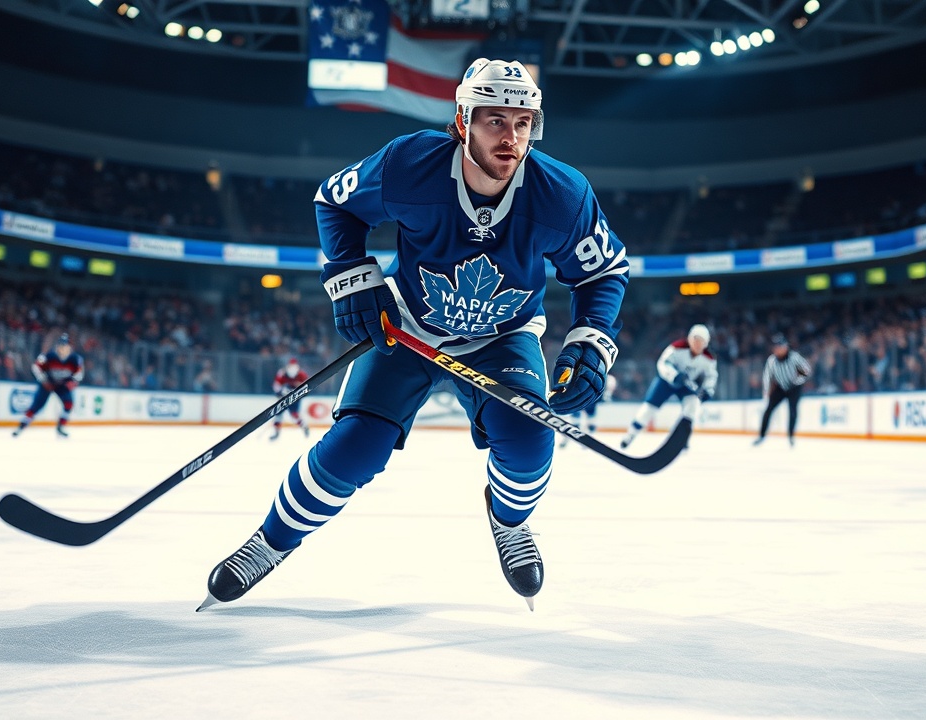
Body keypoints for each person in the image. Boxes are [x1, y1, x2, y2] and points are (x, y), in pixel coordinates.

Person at [200, 58, 628, 612]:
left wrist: (591, 340)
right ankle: (270, 542)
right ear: (463, 120)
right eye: (495, 121)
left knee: (529, 443)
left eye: (523, 123)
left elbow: (602, 272)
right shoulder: (410, 164)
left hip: (503, 336)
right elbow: (335, 202)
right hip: (408, 327)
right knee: (354, 448)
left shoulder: (564, 194)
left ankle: (509, 522)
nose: (511, 137)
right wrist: (352, 278)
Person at [619, 325, 717, 450]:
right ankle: (630, 435)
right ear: (689, 339)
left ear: (706, 343)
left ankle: (683, 438)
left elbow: (711, 376)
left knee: (692, 406)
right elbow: (663, 363)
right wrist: (674, 375)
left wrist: (708, 389)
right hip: (666, 382)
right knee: (649, 408)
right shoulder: (677, 347)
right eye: (695, 339)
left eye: (701, 341)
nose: (697, 344)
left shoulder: (709, 359)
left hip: (687, 385)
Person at [12, 333, 85, 438]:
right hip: (47, 384)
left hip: (62, 385)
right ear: (57, 346)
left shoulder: (76, 359)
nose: (63, 349)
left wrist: (72, 382)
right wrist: (43, 380)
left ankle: (60, 427)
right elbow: (36, 367)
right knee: (36, 406)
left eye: (65, 346)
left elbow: (79, 374)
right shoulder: (48, 356)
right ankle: (21, 427)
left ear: (70, 348)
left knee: (68, 404)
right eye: (61, 346)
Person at [754, 334, 812, 447]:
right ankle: (761, 435)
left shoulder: (794, 357)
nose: (777, 349)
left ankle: (791, 436)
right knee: (768, 410)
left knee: (792, 410)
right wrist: (766, 391)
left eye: (779, 347)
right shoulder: (772, 361)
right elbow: (767, 376)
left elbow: (806, 370)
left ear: (785, 347)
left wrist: (798, 380)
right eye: (775, 347)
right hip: (780, 387)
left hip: (794, 387)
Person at [559, 373, 617, 448]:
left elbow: (607, 393)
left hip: (587, 398)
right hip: (584, 397)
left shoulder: (609, 378)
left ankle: (586, 440)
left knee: (587, 422)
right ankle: (570, 439)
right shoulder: (608, 377)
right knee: (577, 422)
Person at [269, 357, 311, 440]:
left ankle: (304, 426)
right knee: (278, 414)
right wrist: (280, 392)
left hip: (295, 398)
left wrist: (298, 389)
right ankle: (276, 432)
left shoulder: (302, 375)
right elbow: (276, 385)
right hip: (283, 398)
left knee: (294, 415)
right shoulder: (282, 373)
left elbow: (307, 387)